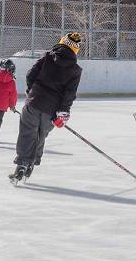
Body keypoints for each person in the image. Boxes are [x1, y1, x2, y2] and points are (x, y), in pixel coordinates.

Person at [9, 33, 83, 184]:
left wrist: (31, 91)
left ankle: (22, 164)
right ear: (76, 50)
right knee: (41, 134)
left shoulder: (47, 57)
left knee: (27, 133)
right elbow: (70, 93)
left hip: (34, 101)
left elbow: (31, 75)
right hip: (52, 110)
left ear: (62, 42)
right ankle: (31, 164)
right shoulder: (75, 69)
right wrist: (63, 111)